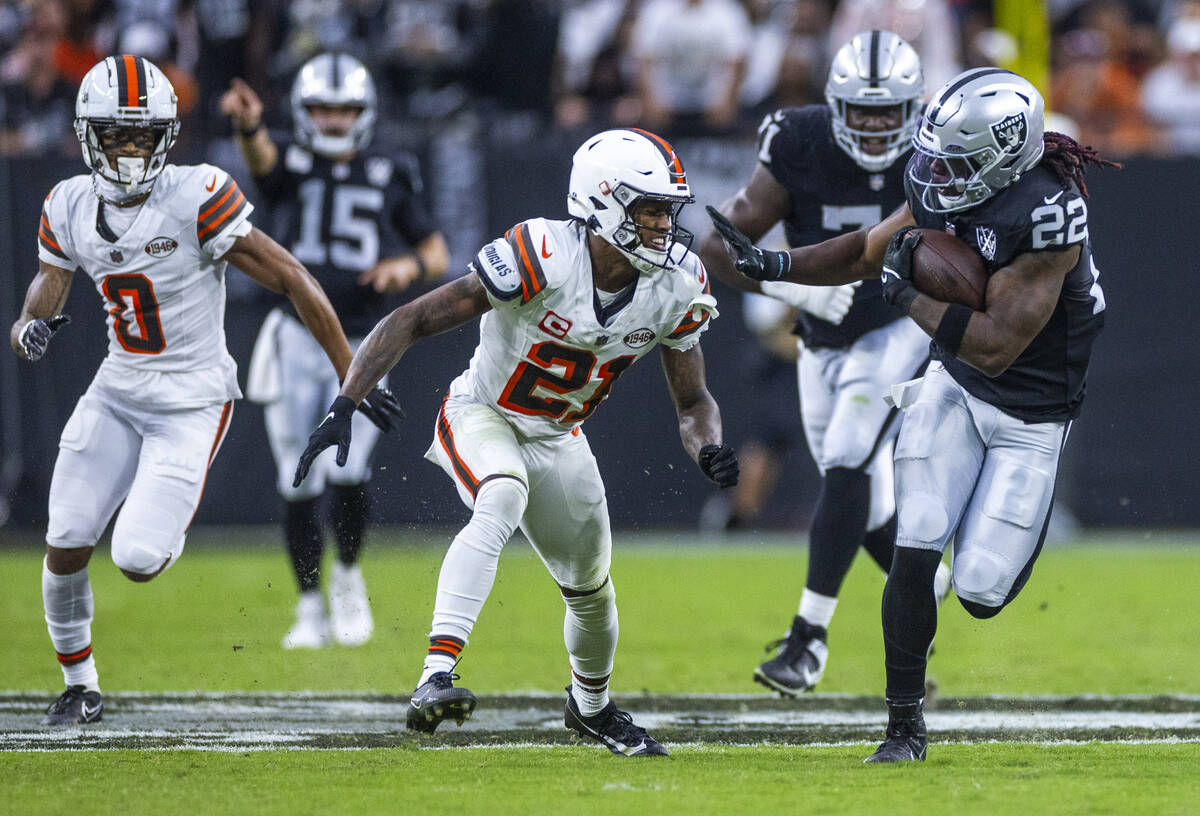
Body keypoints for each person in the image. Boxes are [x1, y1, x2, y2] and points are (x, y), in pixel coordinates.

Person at [708, 66, 1114, 762]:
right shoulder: (942, 184)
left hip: (1032, 413)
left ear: (1002, 157)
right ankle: (903, 729)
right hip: (952, 387)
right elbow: (870, 251)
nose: (934, 174)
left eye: (954, 161)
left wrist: (910, 297)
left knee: (982, 591)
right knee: (916, 540)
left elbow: (994, 345)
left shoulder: (1049, 212)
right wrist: (776, 267)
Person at [294, 128, 738, 757]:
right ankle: (435, 676)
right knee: (500, 494)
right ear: (603, 202)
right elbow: (413, 317)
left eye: (669, 209)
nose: (665, 224)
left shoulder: (676, 284)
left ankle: (591, 710)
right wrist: (347, 399)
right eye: (650, 208)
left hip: (560, 435)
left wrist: (708, 448)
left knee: (592, 587)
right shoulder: (543, 253)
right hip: (484, 413)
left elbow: (694, 403)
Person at [12, 55, 401, 726]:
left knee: (137, 558)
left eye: (143, 135)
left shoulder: (194, 194)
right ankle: (80, 685)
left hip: (192, 397)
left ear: (166, 137)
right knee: (66, 537)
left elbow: (293, 278)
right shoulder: (68, 203)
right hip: (118, 387)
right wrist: (26, 331)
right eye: (117, 134)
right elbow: (40, 299)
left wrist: (351, 372)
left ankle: (168, 513)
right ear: (87, 136)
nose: (131, 150)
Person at [698, 30, 948, 697]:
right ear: (835, 106)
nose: (872, 127)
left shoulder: (936, 150)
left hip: (898, 327)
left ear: (914, 107)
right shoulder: (798, 141)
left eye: (886, 112)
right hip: (819, 337)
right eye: (861, 112)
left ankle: (807, 641)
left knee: (844, 459)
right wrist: (792, 287)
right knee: (862, 505)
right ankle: (927, 585)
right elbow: (719, 244)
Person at [220, 53, 450, 650]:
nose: (332, 119)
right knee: (297, 476)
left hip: (365, 343)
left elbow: (436, 251)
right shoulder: (290, 161)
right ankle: (307, 605)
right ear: (302, 112)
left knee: (348, 468)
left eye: (343, 109)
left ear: (364, 112)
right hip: (295, 339)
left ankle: (346, 578)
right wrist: (248, 127)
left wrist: (407, 264)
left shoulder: (388, 169)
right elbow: (264, 162)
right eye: (321, 108)